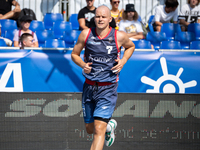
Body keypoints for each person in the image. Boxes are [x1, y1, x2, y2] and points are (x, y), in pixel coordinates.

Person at [71, 5, 135, 150]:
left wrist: (123, 61)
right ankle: (109, 126)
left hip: (108, 88)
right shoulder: (85, 34)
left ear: (109, 19)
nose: (100, 19)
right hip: (89, 86)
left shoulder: (119, 36)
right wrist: (83, 64)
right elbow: (74, 54)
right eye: (98, 16)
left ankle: (104, 126)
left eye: (103, 17)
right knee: (90, 129)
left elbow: (131, 46)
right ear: (94, 18)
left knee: (98, 130)